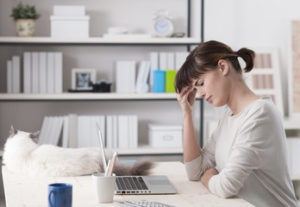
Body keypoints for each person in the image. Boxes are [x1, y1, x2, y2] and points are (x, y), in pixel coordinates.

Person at [175, 40, 298, 207]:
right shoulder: (229, 116)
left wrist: (209, 177)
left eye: (201, 84)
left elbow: (226, 186)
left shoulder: (260, 114)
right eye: (196, 89)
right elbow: (195, 172)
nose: (200, 94)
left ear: (223, 67)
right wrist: (187, 113)